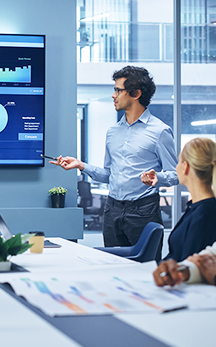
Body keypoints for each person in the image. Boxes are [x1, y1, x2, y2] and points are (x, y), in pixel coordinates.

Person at [50, 66, 178, 258]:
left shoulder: (160, 131)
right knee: (111, 265)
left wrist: (156, 177)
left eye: (118, 90)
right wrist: (81, 165)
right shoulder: (112, 132)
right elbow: (108, 175)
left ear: (136, 93)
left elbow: (175, 175)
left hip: (143, 211)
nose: (113, 95)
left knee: (145, 268)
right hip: (113, 209)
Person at [155, 137, 216, 261]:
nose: (176, 168)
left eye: (178, 162)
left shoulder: (205, 214)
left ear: (185, 167)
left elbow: (187, 265)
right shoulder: (197, 207)